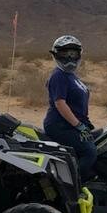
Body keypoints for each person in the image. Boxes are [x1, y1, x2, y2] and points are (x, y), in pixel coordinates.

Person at [41, 34, 96, 179]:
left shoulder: (72, 76)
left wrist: (84, 125)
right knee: (89, 152)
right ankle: (74, 184)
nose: (69, 58)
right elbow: (60, 103)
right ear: (56, 54)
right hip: (61, 126)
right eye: (64, 54)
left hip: (73, 125)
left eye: (73, 54)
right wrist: (79, 125)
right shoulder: (59, 75)